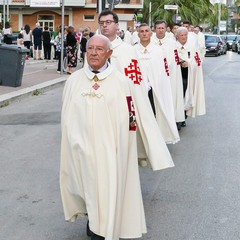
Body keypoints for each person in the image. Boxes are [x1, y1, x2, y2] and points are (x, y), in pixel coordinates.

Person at [60, 34, 174, 240]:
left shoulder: (122, 83)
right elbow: (66, 117)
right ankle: (92, 218)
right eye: (90, 49)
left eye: (99, 49)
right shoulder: (74, 81)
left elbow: (130, 119)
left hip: (109, 149)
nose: (94, 53)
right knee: (83, 186)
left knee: (107, 187)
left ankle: (101, 230)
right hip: (80, 148)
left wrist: (125, 146)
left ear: (109, 53)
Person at [98, 10, 173, 168]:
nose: (105, 26)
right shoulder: (94, 47)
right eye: (102, 23)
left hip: (121, 106)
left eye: (108, 22)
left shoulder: (128, 50)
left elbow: (135, 81)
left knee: (122, 150)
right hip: (99, 103)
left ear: (117, 25)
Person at [134, 23, 179, 144]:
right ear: (138, 34)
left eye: (146, 31)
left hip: (155, 89)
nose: (144, 33)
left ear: (150, 33)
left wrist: (151, 83)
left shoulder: (158, 51)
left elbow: (162, 70)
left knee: (155, 113)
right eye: (141, 31)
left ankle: (155, 140)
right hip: (139, 89)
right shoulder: (133, 51)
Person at [152, 20, 185, 130]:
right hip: (153, 75)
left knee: (170, 97)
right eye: (158, 28)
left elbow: (173, 60)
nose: (160, 30)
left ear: (166, 29)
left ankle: (172, 120)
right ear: (155, 29)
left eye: (162, 28)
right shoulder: (150, 41)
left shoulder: (172, 43)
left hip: (169, 75)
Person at [176, 27, 206, 119]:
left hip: (187, 76)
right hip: (175, 77)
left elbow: (197, 62)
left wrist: (189, 64)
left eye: (185, 35)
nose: (184, 37)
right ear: (177, 36)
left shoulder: (192, 48)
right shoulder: (172, 47)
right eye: (181, 35)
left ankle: (183, 115)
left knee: (185, 94)